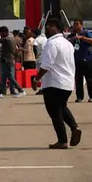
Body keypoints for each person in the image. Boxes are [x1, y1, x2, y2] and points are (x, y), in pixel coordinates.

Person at [34, 17, 82, 149]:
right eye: (47, 26)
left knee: (54, 113)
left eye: (50, 26)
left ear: (58, 28)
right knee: (61, 107)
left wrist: (36, 79)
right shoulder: (67, 43)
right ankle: (74, 127)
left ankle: (62, 140)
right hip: (66, 83)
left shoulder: (52, 43)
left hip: (53, 83)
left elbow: (46, 65)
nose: (47, 28)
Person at [67, 20, 92, 103]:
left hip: (88, 60)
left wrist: (82, 38)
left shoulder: (86, 33)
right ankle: (79, 96)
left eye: (77, 24)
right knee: (78, 79)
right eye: (74, 24)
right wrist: (70, 39)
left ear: (81, 25)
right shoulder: (72, 35)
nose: (75, 26)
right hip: (77, 60)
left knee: (90, 79)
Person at [0, 27, 25, 97]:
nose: (0, 35)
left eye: (0, 34)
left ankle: (20, 90)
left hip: (8, 60)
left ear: (4, 32)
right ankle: (2, 91)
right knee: (4, 76)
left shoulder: (8, 38)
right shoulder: (11, 37)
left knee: (9, 76)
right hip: (8, 60)